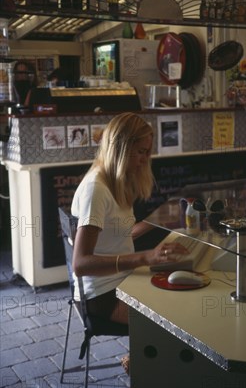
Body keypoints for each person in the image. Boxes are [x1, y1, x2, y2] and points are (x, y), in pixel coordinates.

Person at [71, 112, 188, 369]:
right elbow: (80, 263)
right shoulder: (96, 189)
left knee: (185, 291)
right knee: (180, 319)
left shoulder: (114, 181)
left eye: (148, 152)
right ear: (121, 148)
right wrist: (146, 257)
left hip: (119, 281)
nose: (145, 160)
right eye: (141, 152)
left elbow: (115, 236)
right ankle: (151, 372)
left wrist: (158, 221)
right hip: (101, 296)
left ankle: (145, 360)